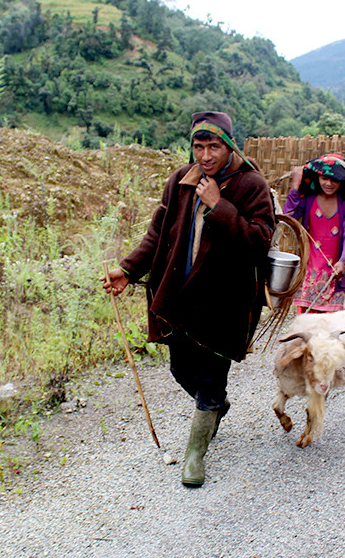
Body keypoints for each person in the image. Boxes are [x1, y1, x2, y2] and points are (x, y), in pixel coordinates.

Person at [101, 111, 275, 488]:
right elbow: (157, 232)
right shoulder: (180, 180)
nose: (206, 155)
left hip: (225, 301)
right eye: (199, 146)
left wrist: (219, 206)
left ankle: (196, 452)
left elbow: (260, 242)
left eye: (214, 146)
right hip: (181, 293)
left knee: (211, 375)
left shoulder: (251, 185)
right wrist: (128, 269)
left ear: (229, 145)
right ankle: (215, 407)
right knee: (180, 369)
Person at [283, 153, 345, 314]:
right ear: (317, 177)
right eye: (324, 178)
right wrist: (295, 185)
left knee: (329, 326)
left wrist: (343, 261)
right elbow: (288, 218)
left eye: (335, 179)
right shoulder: (307, 197)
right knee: (306, 323)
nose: (329, 183)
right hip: (309, 271)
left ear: (343, 180)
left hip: (334, 272)